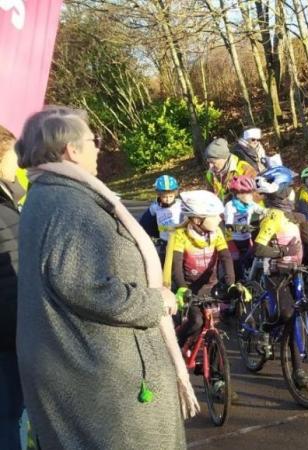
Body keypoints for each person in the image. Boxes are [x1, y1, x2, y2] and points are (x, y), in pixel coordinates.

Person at [14, 106, 196, 450]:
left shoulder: (51, 193)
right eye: (92, 140)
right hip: (104, 387)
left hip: (92, 374)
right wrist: (156, 301)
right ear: (71, 150)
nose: (98, 148)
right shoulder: (68, 203)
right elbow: (85, 286)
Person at [252, 166, 308, 388]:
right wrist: (282, 253)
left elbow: (307, 241)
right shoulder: (272, 217)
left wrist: (302, 220)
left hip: (295, 271)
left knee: (294, 315)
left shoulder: (290, 215)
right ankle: (295, 367)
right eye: (290, 188)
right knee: (288, 314)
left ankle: (297, 367)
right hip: (276, 272)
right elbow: (258, 249)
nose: (293, 192)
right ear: (281, 193)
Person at [162, 191, 237, 347]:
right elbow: (175, 266)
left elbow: (226, 258)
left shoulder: (216, 233)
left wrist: (231, 283)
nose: (219, 218)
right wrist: (182, 288)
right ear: (197, 219)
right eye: (214, 215)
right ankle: (177, 344)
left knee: (215, 323)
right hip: (187, 287)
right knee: (196, 321)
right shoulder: (180, 235)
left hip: (208, 286)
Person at [0, 124, 23, 450]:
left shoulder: (8, 200)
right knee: (8, 416)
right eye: (12, 155)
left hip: (15, 329)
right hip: (7, 334)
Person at [224, 175, 265, 278]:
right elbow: (229, 226)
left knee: (251, 259)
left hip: (246, 238)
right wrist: (247, 228)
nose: (251, 196)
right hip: (233, 240)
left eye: (251, 192)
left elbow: (263, 211)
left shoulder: (250, 204)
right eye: (247, 193)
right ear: (238, 194)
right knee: (236, 263)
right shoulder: (230, 206)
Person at [139, 175, 183, 261]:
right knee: (163, 262)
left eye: (171, 196)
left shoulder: (180, 205)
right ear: (158, 194)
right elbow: (145, 223)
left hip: (179, 240)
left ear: (175, 194)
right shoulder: (154, 207)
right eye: (164, 197)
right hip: (164, 240)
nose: (168, 199)